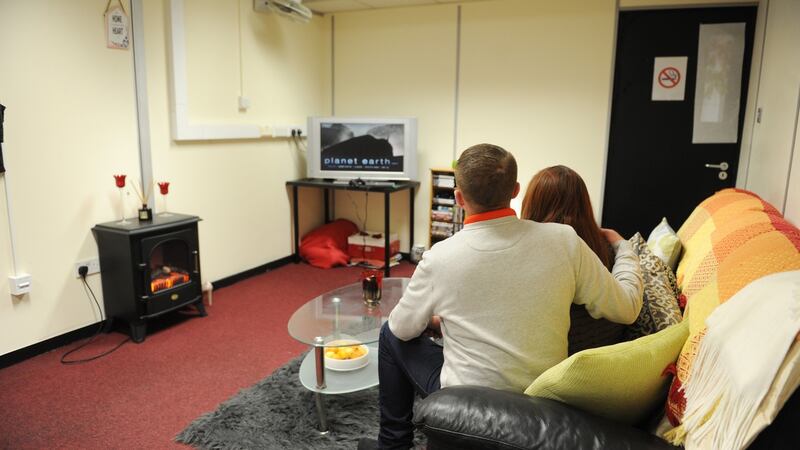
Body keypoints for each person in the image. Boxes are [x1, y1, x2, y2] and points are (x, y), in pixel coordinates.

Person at [359, 144, 643, 450]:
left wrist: (438, 321)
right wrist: (625, 248)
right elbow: (626, 308)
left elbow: (403, 329)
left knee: (389, 333)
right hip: (539, 400)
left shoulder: (439, 257)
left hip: (465, 401)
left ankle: (392, 444)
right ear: (516, 190)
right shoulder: (564, 241)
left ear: (458, 197)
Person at [521, 165, 627, 354]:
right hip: (606, 351)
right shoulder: (608, 248)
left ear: (532, 204)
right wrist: (623, 244)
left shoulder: (533, 253)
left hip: (556, 359)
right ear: (584, 203)